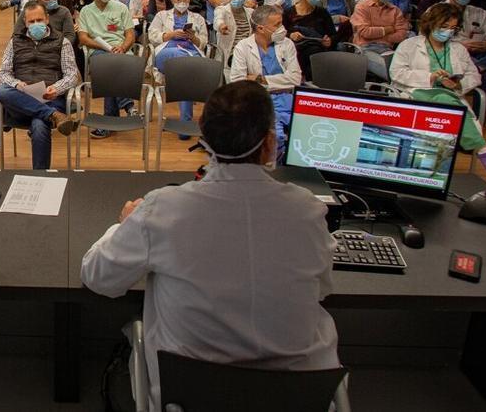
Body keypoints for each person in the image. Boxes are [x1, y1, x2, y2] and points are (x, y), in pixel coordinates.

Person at [81, 80, 338, 412]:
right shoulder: (308, 211)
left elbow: (98, 277)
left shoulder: (164, 210)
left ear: (204, 139)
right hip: (298, 398)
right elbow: (322, 288)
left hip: (191, 398)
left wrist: (127, 222)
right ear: (271, 144)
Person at [390, 3, 486, 170]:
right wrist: (430, 76)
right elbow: (396, 72)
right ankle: (481, 147)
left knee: (444, 99)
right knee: (445, 101)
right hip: (416, 92)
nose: (448, 32)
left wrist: (459, 84)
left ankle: (438, 164)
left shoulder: (458, 49)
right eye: (444, 27)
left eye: (452, 28)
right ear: (431, 23)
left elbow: (474, 75)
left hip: (450, 94)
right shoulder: (409, 45)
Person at [0, 1, 81, 169]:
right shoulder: (14, 42)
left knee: (39, 126)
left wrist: (57, 88)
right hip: (19, 100)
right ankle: (54, 115)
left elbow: (72, 75)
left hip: (50, 97)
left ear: (47, 19)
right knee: (2, 90)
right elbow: (3, 73)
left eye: (39, 20)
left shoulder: (62, 42)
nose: (36, 24)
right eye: (31, 22)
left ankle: (40, 177)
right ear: (25, 23)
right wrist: (17, 84)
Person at [228, 5, 301, 158]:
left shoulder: (287, 44)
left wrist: (261, 79)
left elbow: (295, 79)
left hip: (288, 99)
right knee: (276, 138)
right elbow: (239, 82)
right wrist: (280, 81)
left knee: (303, 137)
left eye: (281, 23)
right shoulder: (243, 47)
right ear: (261, 28)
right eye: (277, 25)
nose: (282, 28)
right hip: (260, 101)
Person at [77, 0, 138, 139]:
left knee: (111, 70)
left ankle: (109, 122)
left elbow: (130, 34)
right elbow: (83, 38)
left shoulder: (120, 8)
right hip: (97, 51)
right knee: (108, 64)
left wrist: (122, 47)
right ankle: (129, 105)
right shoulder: (86, 11)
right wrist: (105, 47)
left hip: (121, 50)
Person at [148, 0, 208, 129]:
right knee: (183, 62)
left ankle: (185, 123)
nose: (182, 1)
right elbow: (152, 36)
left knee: (184, 74)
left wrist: (192, 37)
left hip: (191, 52)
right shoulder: (161, 15)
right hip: (167, 52)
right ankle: (185, 122)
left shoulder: (198, 18)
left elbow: (204, 42)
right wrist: (171, 35)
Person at [350, 0, 409, 79]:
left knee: (404, 66)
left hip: (387, 49)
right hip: (365, 49)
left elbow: (402, 34)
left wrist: (381, 36)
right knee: (389, 71)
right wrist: (388, 29)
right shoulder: (362, 7)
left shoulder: (395, 10)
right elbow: (365, 32)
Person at [284, 0, 336, 81]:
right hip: (296, 51)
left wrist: (330, 40)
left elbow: (333, 34)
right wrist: (291, 35)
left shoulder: (322, 13)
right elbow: (282, 33)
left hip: (318, 52)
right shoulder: (288, 13)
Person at [213, 0, 255, 64]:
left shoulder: (251, 12)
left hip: (247, 53)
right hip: (229, 54)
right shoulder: (222, 9)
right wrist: (221, 26)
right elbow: (218, 20)